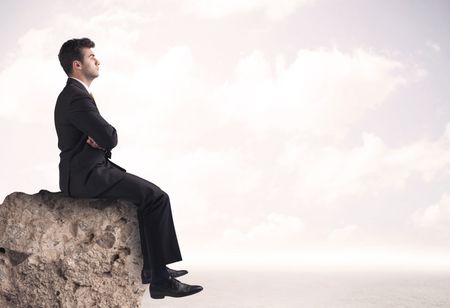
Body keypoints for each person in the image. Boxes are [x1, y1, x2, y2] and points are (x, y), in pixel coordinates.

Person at [54, 37, 203, 299]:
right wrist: (102, 140)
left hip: (85, 172)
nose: (97, 60)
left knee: (145, 199)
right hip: (87, 176)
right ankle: (160, 280)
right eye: (91, 57)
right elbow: (109, 136)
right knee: (157, 197)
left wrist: (99, 139)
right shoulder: (77, 98)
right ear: (77, 64)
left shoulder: (74, 95)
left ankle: (154, 268)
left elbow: (100, 136)